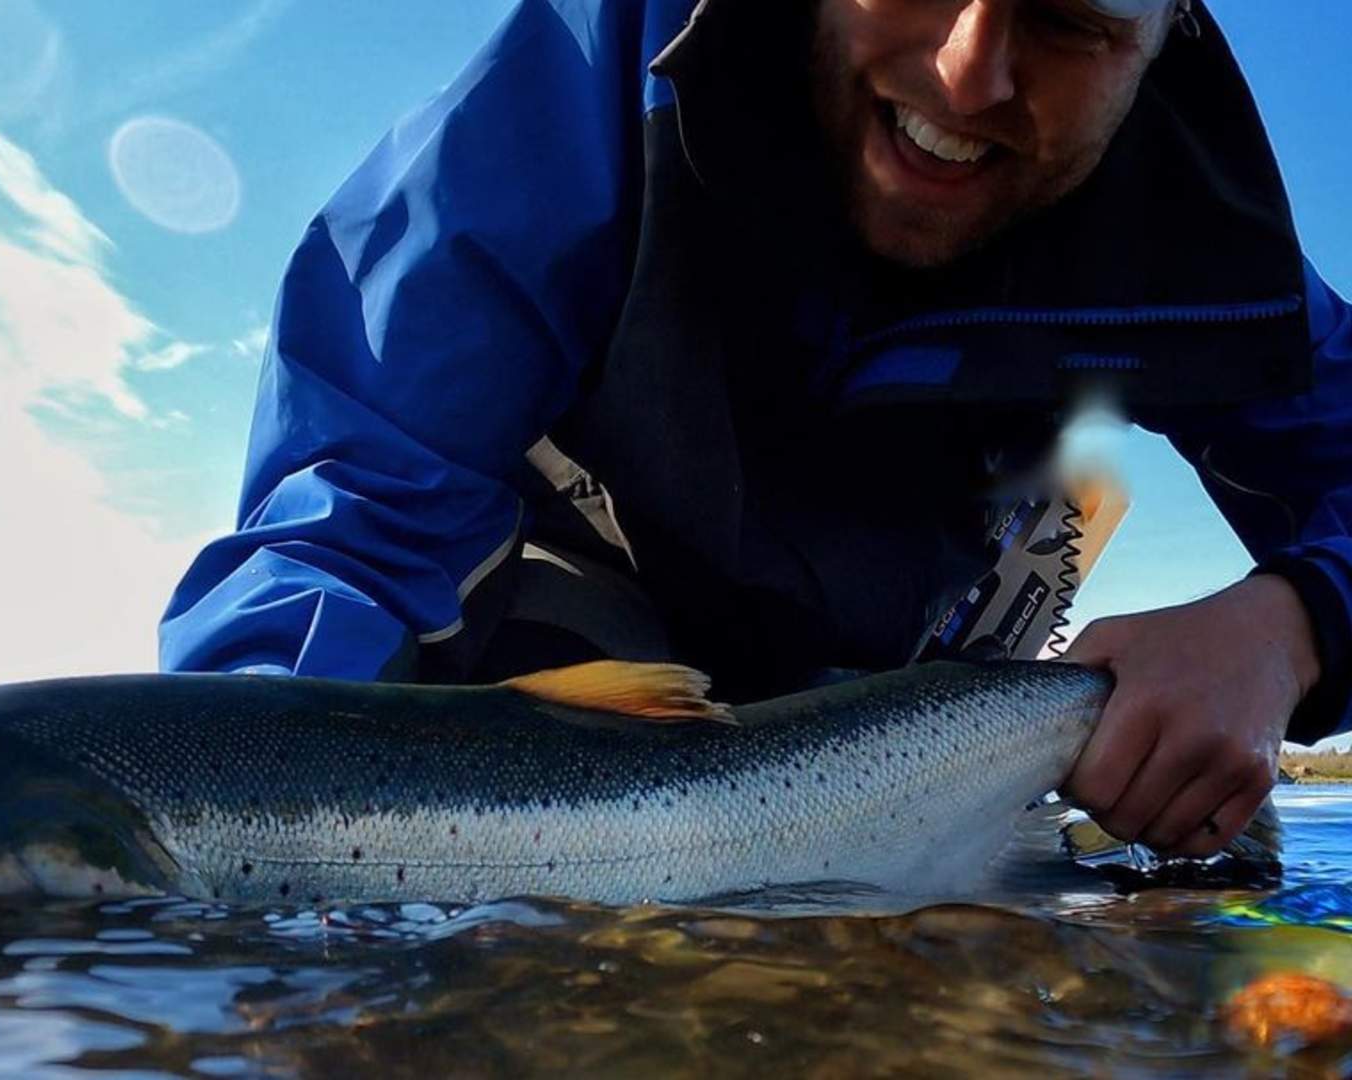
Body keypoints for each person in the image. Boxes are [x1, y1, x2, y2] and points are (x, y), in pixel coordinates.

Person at [159, 0, 1352, 860]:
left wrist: (1293, 625)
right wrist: (238, 830)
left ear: (1166, 34)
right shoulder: (607, 63)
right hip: (577, 629)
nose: (967, 71)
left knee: (1213, 850)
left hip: (907, 678)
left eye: (1070, 20)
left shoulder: (1198, 234)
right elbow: (355, 509)